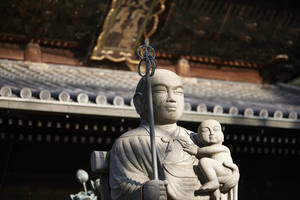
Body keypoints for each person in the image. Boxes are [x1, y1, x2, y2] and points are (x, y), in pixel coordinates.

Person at [109, 69, 239, 200]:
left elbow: (222, 165)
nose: (172, 98)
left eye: (178, 92)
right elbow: (122, 189)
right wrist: (144, 192)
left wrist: (232, 175)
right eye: (161, 91)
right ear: (139, 102)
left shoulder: (196, 138)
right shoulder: (129, 142)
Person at [180, 119, 239, 200]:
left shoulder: (223, 148)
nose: (211, 132)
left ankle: (214, 182)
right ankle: (215, 191)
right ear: (199, 138)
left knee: (204, 161)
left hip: (225, 170)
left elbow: (210, 150)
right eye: (205, 130)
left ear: (223, 136)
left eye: (216, 129)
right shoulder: (205, 153)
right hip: (217, 171)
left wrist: (197, 151)